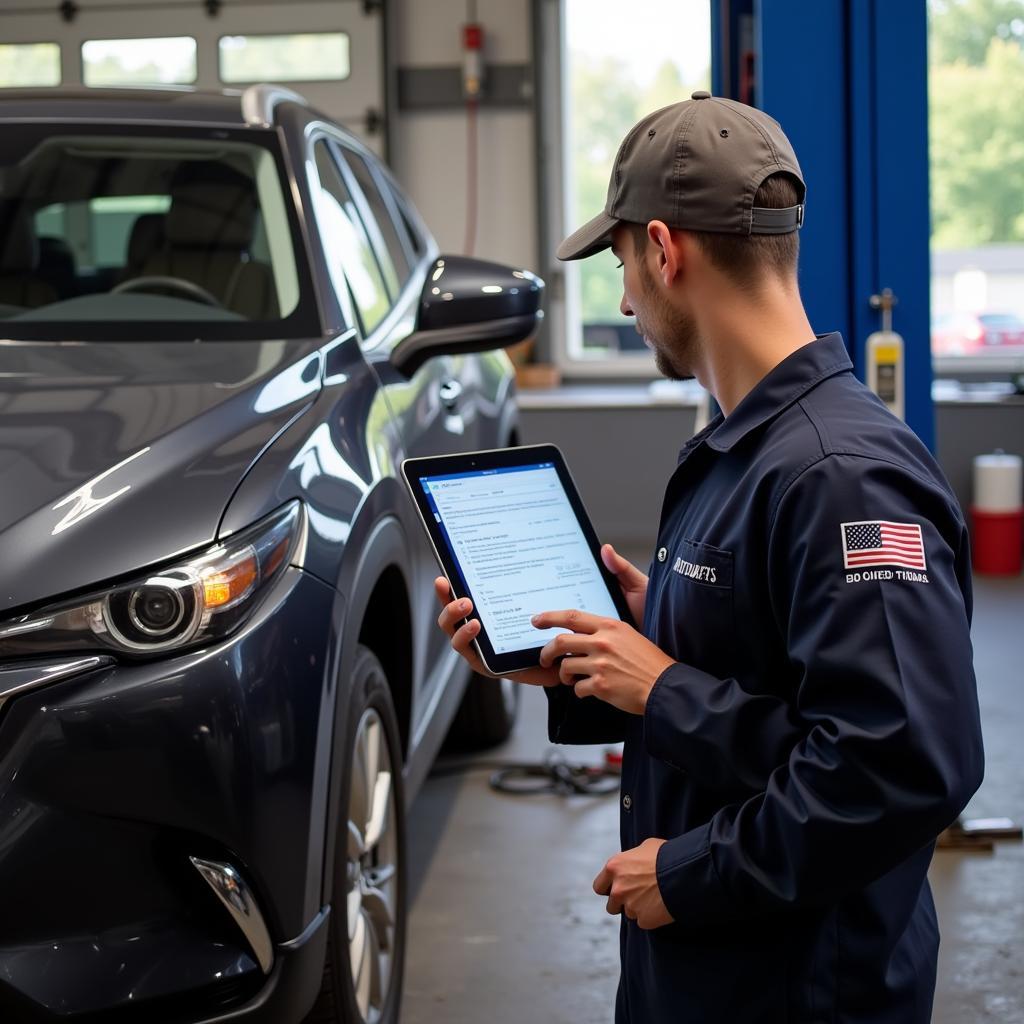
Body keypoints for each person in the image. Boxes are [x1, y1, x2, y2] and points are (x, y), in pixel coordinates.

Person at [434, 91, 984, 1023]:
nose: (621, 299)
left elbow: (901, 764)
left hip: (799, 986)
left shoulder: (839, 476)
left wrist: (691, 868)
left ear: (663, 249)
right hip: (709, 972)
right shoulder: (744, 449)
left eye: (618, 265)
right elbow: (773, 685)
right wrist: (616, 653)